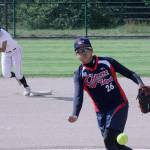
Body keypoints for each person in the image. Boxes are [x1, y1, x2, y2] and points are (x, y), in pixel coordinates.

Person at [68, 37, 144, 150]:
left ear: (91, 51)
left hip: (119, 105)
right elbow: (78, 95)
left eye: (85, 49)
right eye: (79, 51)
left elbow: (129, 73)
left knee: (108, 139)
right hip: (101, 112)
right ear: (76, 55)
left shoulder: (107, 62)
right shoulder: (79, 74)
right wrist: (75, 113)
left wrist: (140, 84)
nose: (83, 53)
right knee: (114, 144)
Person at [0, 27, 31, 96]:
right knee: (6, 74)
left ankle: (27, 87)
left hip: (16, 51)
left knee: (18, 74)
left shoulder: (4, 35)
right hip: (6, 54)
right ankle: (16, 76)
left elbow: (3, 49)